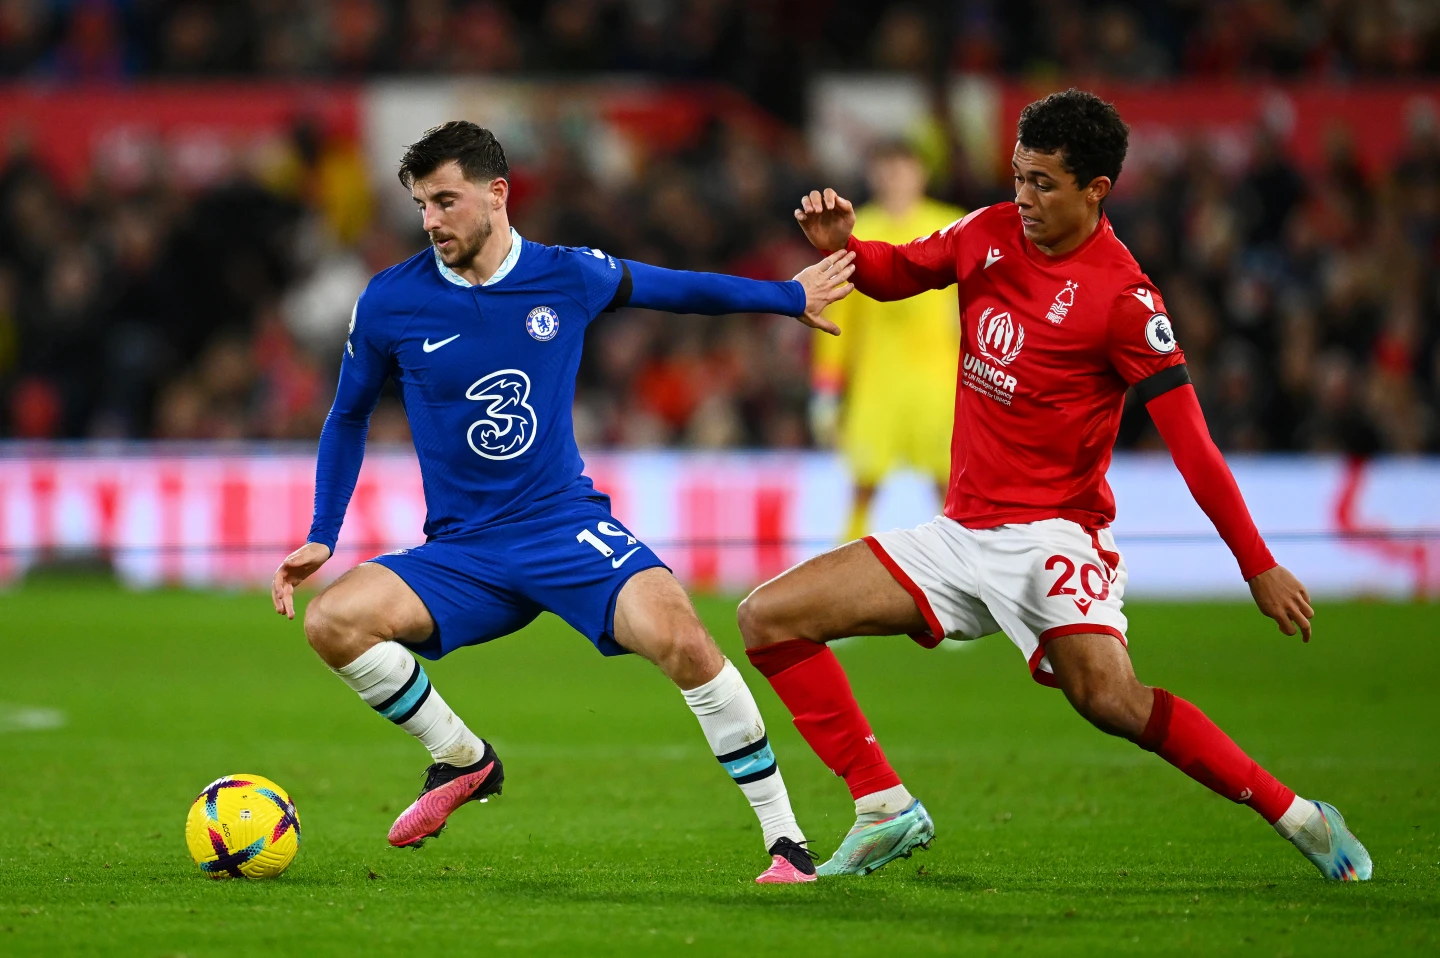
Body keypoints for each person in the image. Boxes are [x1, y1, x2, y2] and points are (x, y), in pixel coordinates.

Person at [739, 90, 1372, 882]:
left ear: (1095, 189)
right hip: (959, 534)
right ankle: (883, 805)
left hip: (1053, 536)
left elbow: (1197, 452)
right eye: (1017, 176)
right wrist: (849, 249)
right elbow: (901, 273)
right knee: (768, 617)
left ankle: (1301, 817)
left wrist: (1257, 564)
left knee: (1110, 700)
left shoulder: (1125, 300)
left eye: (1043, 183)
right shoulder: (988, 231)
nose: (1023, 198)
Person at [270, 121, 857, 884]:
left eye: (445, 201)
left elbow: (676, 288)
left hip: (562, 527)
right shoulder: (390, 301)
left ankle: (786, 841)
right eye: (421, 205)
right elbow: (347, 415)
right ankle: (461, 759)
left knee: (683, 640)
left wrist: (787, 296)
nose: (431, 221)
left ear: (497, 195)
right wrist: (323, 531)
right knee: (332, 621)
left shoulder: (567, 275)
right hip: (462, 551)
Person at [810, 140, 962, 541]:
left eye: (904, 168)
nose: (895, 178)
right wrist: (827, 389)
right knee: (863, 483)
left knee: (950, 483)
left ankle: (959, 563)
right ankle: (843, 569)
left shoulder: (952, 226)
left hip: (940, 380)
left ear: (921, 174)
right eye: (887, 169)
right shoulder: (856, 232)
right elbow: (838, 312)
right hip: (877, 380)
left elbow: (974, 309)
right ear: (874, 175)